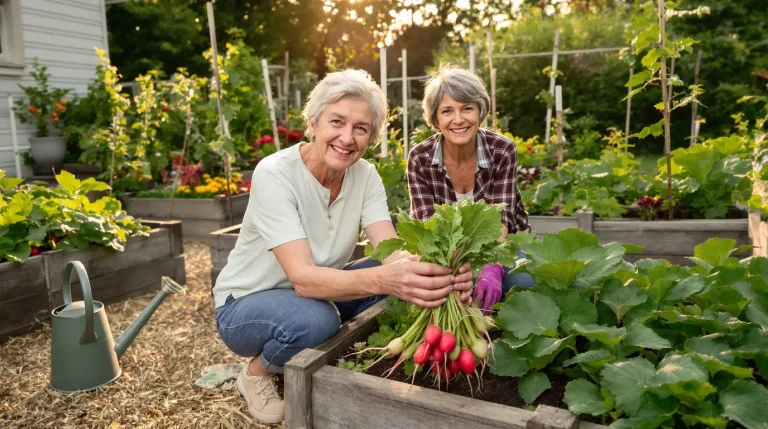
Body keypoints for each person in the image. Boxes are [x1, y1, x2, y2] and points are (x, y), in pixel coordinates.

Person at [213, 69, 474, 424]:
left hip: (320, 291)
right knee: (316, 320)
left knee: (398, 283)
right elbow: (303, 279)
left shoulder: (365, 176)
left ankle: (314, 349)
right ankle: (257, 373)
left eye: (361, 128)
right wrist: (388, 279)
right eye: (337, 121)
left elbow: (390, 250)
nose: (347, 137)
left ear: (372, 136)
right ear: (314, 122)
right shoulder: (275, 173)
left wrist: (435, 274)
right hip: (247, 305)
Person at [406, 65, 535, 313]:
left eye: (467, 108)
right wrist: (458, 271)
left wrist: (491, 266)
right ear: (435, 118)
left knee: (523, 281)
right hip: (447, 253)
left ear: (480, 111)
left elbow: (502, 217)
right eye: (447, 111)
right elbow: (427, 224)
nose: (458, 119)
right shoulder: (419, 158)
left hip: (503, 243)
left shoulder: (502, 150)